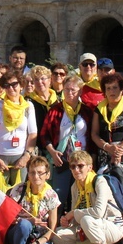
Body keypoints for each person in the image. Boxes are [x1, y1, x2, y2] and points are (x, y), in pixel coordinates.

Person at [91, 73, 123, 244]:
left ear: (121, 89)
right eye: (108, 88)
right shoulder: (100, 108)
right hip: (106, 153)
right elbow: (94, 134)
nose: (112, 91)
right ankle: (110, 235)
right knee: (106, 194)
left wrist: (120, 149)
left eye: (115, 88)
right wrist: (107, 147)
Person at [56, 151, 123, 244]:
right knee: (57, 234)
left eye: (80, 166)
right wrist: (68, 221)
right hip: (88, 227)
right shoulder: (75, 187)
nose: (76, 170)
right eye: (73, 166)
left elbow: (98, 212)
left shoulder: (99, 182)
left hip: (112, 227)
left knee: (87, 220)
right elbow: (76, 218)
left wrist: (74, 213)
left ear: (90, 167)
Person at [39, 74, 94, 210]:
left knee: (81, 198)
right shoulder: (55, 110)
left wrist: (92, 159)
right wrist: (52, 152)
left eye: (73, 90)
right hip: (61, 160)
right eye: (67, 89)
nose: (69, 93)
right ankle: (55, 226)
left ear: (80, 91)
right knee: (59, 196)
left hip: (82, 161)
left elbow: (92, 136)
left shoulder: (87, 111)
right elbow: (44, 134)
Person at [5, 156, 60, 244]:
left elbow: (52, 229)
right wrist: (29, 220)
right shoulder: (19, 190)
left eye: (40, 173)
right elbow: (6, 216)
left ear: (48, 174)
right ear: (28, 174)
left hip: (39, 236)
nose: (36, 177)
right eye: (32, 173)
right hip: (18, 231)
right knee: (25, 224)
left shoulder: (52, 196)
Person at [0, 71, 38, 186]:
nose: (11, 88)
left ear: (21, 86)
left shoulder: (28, 106)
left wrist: (27, 155)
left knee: (19, 193)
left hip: (20, 155)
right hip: (0, 155)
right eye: (7, 85)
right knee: (0, 195)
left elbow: (33, 133)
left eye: (14, 84)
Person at [26, 65, 57, 153]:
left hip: (56, 147)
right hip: (36, 148)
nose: (40, 82)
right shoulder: (28, 103)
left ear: (50, 80)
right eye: (36, 79)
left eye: (43, 78)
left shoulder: (58, 101)